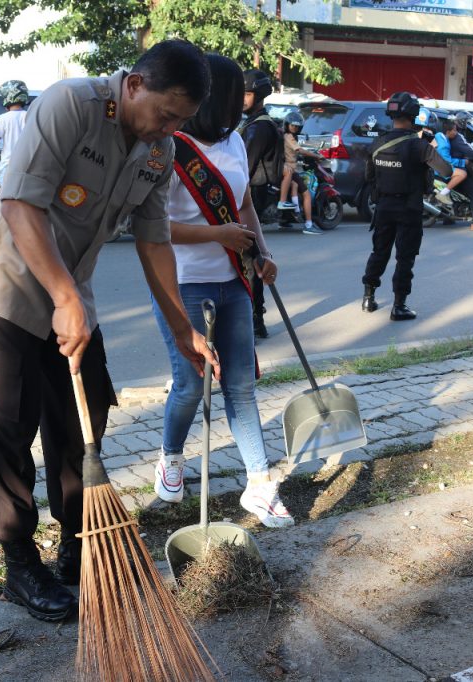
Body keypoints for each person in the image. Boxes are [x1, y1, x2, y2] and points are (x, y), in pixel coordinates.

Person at [0, 40, 217, 623]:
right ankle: (21, 565)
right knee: (6, 425)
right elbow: (21, 203)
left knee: (82, 423)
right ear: (133, 86)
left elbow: (154, 240)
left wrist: (182, 329)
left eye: (180, 121)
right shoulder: (70, 104)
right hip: (6, 290)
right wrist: (64, 295)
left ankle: (79, 548)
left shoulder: (159, 152)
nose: (169, 129)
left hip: (71, 298)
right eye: (165, 113)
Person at [148, 53, 292, 529]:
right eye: (235, 99)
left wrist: (261, 251)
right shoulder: (170, 146)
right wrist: (218, 235)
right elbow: (152, 227)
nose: (242, 108)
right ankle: (171, 458)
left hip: (233, 281)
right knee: (191, 383)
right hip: (183, 283)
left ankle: (258, 483)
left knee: (241, 386)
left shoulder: (233, 142)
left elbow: (245, 204)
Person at [361, 92, 452, 320]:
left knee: (379, 252)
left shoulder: (378, 142)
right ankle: (398, 306)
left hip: (382, 207)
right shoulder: (418, 146)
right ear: (413, 115)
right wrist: (430, 145)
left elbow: (369, 175)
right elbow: (447, 171)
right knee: (405, 258)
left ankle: (368, 298)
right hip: (409, 209)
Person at [240, 69, 283, 339]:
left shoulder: (259, 126)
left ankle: (256, 319)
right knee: (250, 258)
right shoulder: (252, 122)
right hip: (251, 195)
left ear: (259, 94)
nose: (242, 98)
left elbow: (243, 167)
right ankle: (255, 317)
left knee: (252, 261)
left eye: (247, 93)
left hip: (252, 197)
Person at [277, 112, 324, 235]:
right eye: (293, 126)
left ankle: (290, 216)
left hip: (289, 167)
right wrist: (317, 156)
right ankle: (308, 224)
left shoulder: (287, 136)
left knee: (295, 186)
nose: (295, 128)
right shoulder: (289, 137)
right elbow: (299, 150)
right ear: (287, 125)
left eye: (297, 127)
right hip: (290, 169)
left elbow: (293, 152)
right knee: (307, 194)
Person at [0, 80, 29, 174]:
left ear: (9, 97)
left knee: (7, 189)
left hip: (8, 166)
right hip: (27, 166)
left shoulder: (2, 119)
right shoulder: (30, 116)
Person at [433, 118, 469, 201]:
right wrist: (463, 162)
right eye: (455, 130)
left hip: (435, 164)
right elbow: (447, 161)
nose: (456, 133)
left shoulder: (440, 136)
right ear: (448, 132)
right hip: (438, 168)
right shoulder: (444, 145)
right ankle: (443, 194)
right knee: (462, 174)